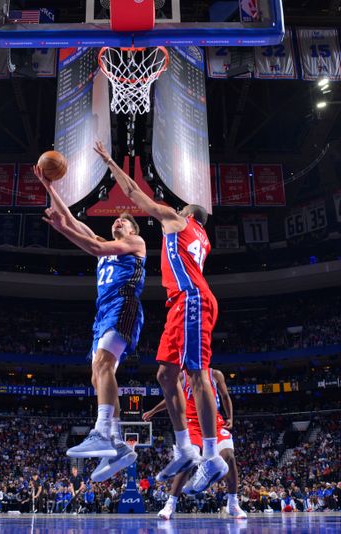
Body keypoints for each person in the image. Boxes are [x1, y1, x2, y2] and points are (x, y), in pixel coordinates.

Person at [93, 141, 227, 494]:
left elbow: (136, 193)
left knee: (196, 376)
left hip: (192, 300)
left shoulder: (179, 221)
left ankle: (211, 456)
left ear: (188, 213)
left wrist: (110, 162)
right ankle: (185, 448)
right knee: (166, 374)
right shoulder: (202, 239)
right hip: (179, 303)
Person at [39, 166, 145, 482]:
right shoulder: (104, 243)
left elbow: (94, 247)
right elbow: (72, 220)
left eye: (124, 219)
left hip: (123, 304)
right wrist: (49, 186)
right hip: (103, 313)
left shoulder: (135, 243)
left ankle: (101, 432)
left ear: (132, 228)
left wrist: (62, 230)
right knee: (97, 377)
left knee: (103, 365)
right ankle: (120, 446)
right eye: (117, 219)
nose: (118, 221)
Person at [143, 368, 246, 519]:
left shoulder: (215, 374)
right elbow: (171, 397)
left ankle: (233, 503)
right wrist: (153, 411)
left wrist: (230, 417)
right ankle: (170, 504)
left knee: (229, 456)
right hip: (193, 424)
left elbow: (225, 396)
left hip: (214, 422)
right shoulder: (181, 376)